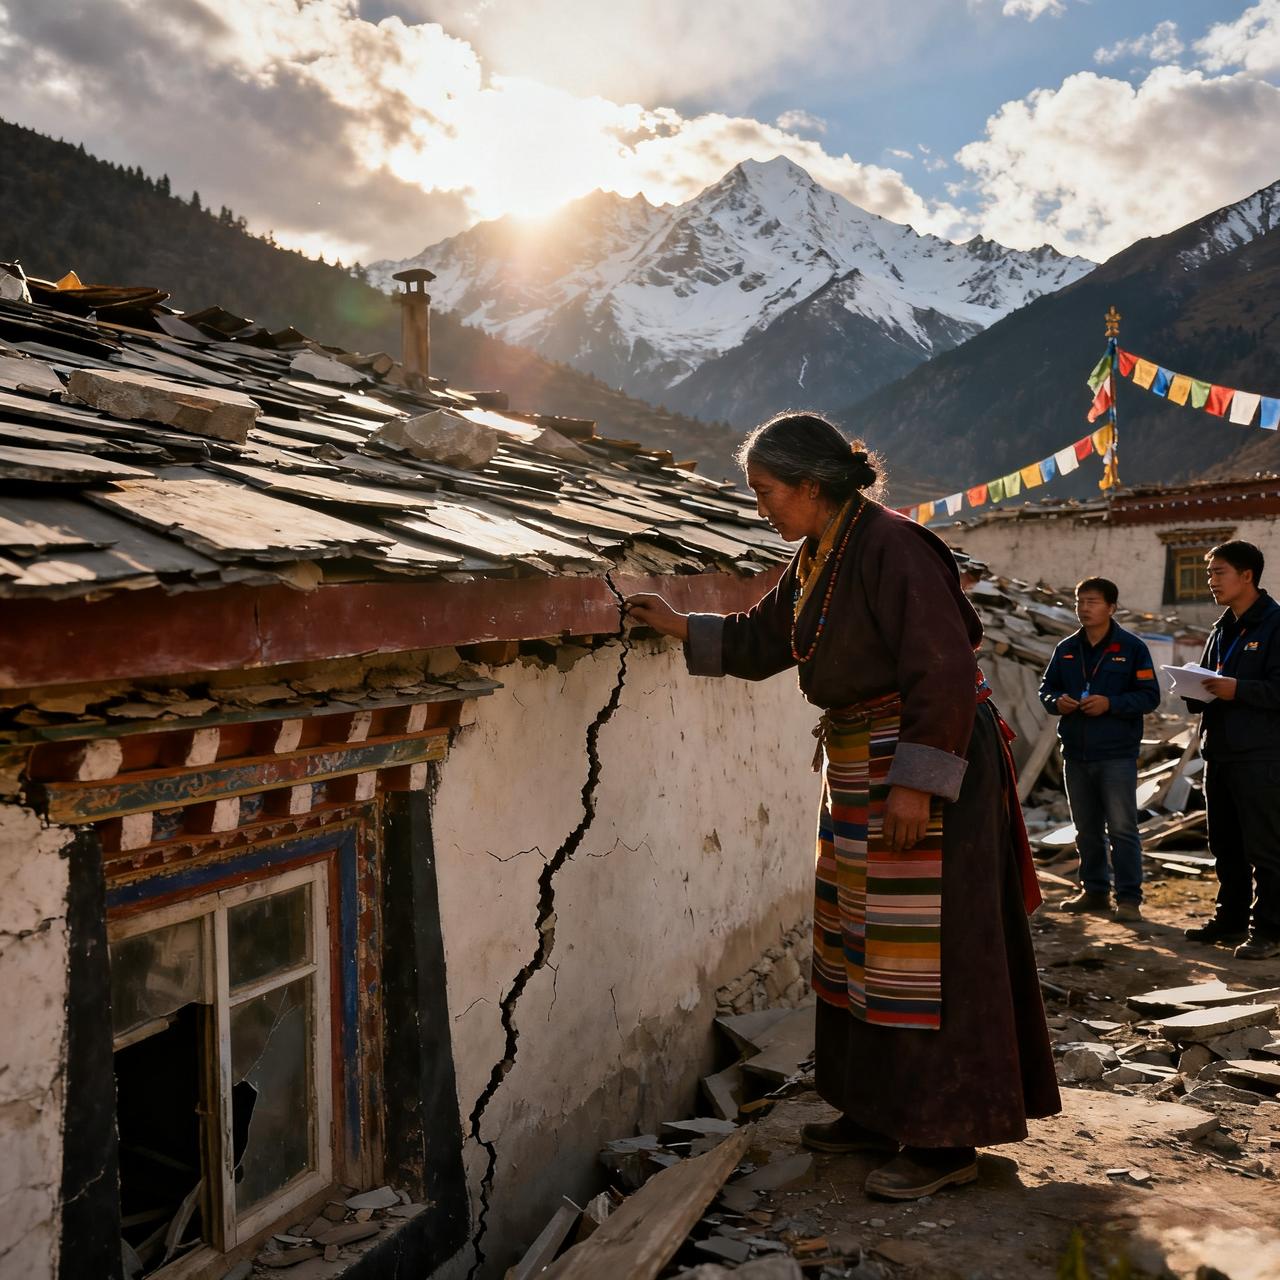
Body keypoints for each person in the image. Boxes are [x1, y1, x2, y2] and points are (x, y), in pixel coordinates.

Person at [626, 412, 1060, 1202]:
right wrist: (679, 624)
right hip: (862, 768)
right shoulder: (819, 554)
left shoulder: (893, 546)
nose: (760, 507)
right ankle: (874, 1110)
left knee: (923, 956)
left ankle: (943, 1138)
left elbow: (944, 669)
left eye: (765, 492)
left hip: (922, 772)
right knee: (859, 946)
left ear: (810, 484)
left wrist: (917, 785)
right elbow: (766, 639)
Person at [1037, 578, 1161, 922]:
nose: (1084, 608)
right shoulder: (1066, 649)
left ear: (1111, 607)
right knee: (1086, 829)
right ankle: (1093, 891)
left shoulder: (1131, 647)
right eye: (1080, 602)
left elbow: (1149, 696)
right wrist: (1055, 702)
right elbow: (1046, 689)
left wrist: (1111, 703)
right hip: (1076, 754)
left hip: (1116, 754)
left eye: (1092, 602)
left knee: (1122, 828)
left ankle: (1129, 899)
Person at [1182, 541, 1280, 960]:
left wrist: (1238, 689)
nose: (1210, 581)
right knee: (1225, 844)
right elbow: (1209, 679)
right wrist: (1191, 688)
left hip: (1261, 755)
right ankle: (1231, 918)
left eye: (1218, 572)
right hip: (1218, 751)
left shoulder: (1276, 625)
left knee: (1265, 846)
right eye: (1209, 574)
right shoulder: (1222, 627)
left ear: (1247, 576)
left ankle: (1270, 931)